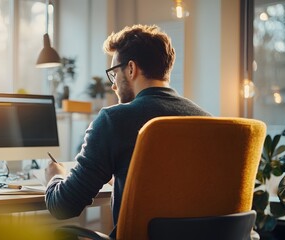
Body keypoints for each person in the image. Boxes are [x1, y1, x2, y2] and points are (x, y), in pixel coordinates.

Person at [44, 24, 211, 238]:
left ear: (131, 69)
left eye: (114, 74)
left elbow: (63, 206)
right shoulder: (207, 121)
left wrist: (55, 177)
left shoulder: (114, 120)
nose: (113, 85)